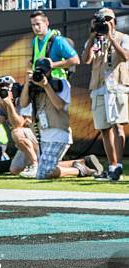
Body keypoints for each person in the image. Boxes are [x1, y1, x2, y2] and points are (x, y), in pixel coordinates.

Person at [20, 58, 102, 179]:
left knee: (43, 173)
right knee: (42, 169)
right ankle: (78, 164)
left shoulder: (61, 83)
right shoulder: (33, 86)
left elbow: (60, 105)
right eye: (39, 71)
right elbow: (23, 103)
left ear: (50, 71)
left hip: (59, 134)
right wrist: (27, 83)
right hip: (42, 135)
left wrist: (46, 85)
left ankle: (80, 170)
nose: (42, 74)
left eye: (45, 71)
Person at [83, 8, 128, 182]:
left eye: (108, 18)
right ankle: (112, 166)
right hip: (98, 86)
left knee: (118, 126)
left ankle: (119, 166)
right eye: (100, 19)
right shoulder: (95, 39)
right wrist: (92, 37)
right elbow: (86, 60)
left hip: (116, 86)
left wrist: (110, 37)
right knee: (104, 128)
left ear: (114, 21)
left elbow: (125, 57)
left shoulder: (123, 38)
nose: (104, 22)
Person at [0, 75, 40, 177]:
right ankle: (75, 165)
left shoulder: (25, 99)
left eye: (7, 86)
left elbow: (18, 124)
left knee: (17, 132)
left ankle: (35, 165)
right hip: (26, 143)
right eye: (2, 87)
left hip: (39, 139)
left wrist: (9, 104)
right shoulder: (4, 104)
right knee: (14, 169)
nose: (5, 89)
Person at [29, 10, 79, 81]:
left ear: (46, 23)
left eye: (38, 24)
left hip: (58, 84)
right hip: (41, 82)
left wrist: (52, 65)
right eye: (33, 25)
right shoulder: (35, 41)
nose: (36, 28)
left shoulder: (58, 40)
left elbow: (75, 60)